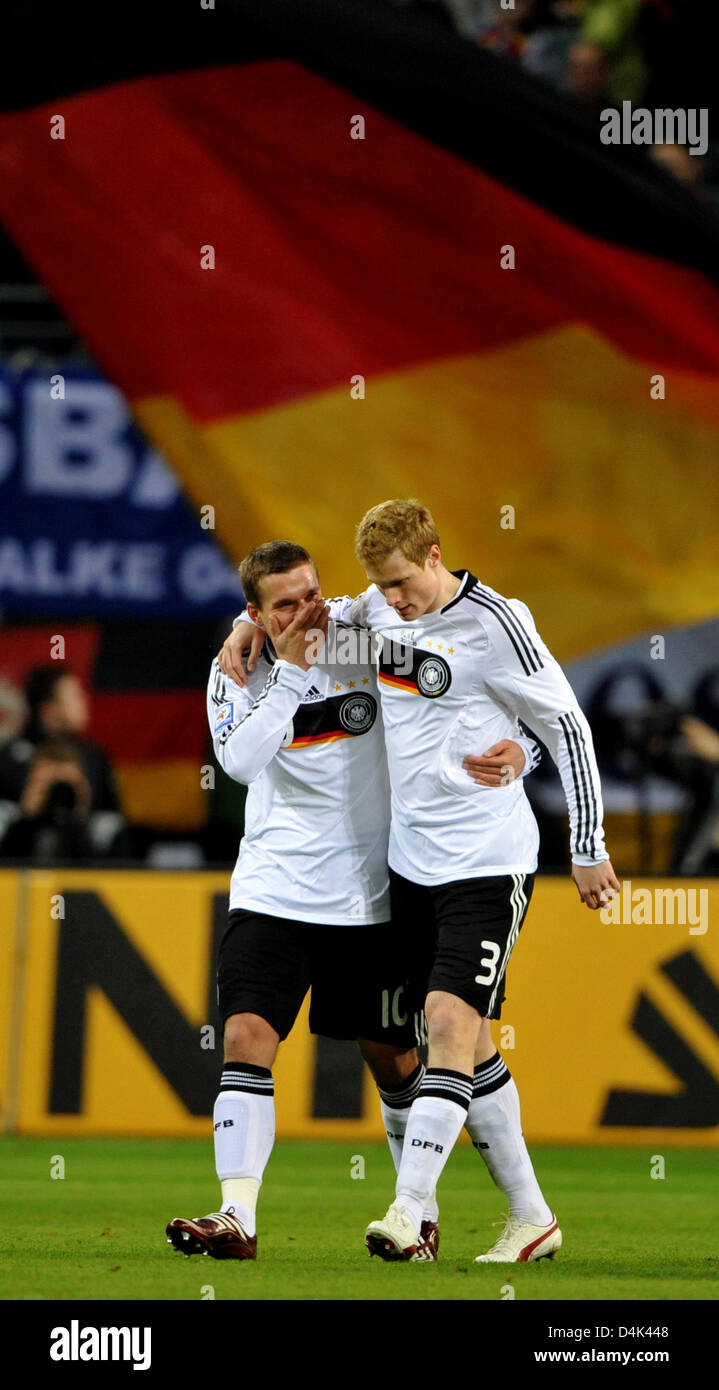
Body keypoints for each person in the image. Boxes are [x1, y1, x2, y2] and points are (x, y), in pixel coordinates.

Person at [168, 540, 538, 1262]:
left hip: (373, 892)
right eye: (284, 604)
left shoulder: (363, 637)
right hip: (274, 888)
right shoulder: (234, 671)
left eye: (310, 594)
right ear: (253, 612)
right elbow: (239, 761)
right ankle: (236, 1216)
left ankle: (418, 1215)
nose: (306, 611)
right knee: (246, 1036)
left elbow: (466, 676)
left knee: (393, 1057)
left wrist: (520, 742)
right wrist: (287, 670)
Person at [0, 665, 125, 858]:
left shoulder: (94, 757)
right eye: (75, 696)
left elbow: (116, 827)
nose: (85, 701)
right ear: (50, 709)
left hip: (82, 867)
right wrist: (23, 814)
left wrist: (84, 811)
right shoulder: (8, 758)